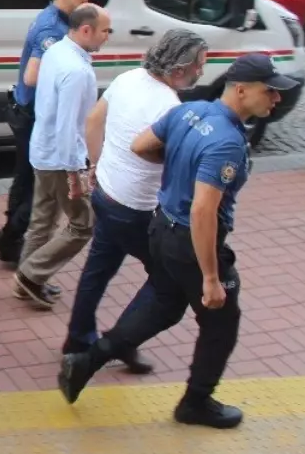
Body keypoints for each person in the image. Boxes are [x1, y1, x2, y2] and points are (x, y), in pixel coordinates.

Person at [60, 54, 297, 430]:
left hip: (161, 226)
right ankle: (196, 402)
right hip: (191, 240)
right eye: (269, 91)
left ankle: (87, 361)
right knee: (221, 323)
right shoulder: (227, 144)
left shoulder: (191, 112)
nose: (276, 99)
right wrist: (210, 278)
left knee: (164, 304)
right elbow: (204, 212)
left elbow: (141, 146)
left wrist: (180, 165)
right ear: (241, 90)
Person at [63, 29, 208, 374]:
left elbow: (94, 120)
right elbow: (171, 163)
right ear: (178, 69)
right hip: (136, 210)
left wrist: (95, 166)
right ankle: (121, 342)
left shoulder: (128, 78)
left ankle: (77, 338)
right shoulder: (170, 107)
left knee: (98, 269)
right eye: (199, 65)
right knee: (166, 280)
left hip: (107, 194)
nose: (201, 72)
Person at [0, 0, 101, 264]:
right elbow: (31, 76)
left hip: (32, 114)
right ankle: (12, 238)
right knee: (36, 186)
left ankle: (11, 239)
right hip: (32, 115)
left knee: (29, 182)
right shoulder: (51, 28)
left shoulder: (60, 19)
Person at [13, 4, 111, 308]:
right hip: (60, 157)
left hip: (42, 150)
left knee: (42, 220)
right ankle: (31, 275)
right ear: (86, 30)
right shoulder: (77, 71)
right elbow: (70, 126)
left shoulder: (57, 51)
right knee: (84, 223)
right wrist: (75, 173)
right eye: (106, 31)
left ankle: (28, 279)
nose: (108, 37)